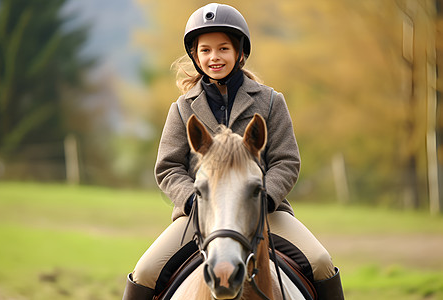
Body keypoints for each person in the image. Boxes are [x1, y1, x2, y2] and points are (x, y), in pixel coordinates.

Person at [122, 3, 344, 300]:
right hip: (201, 216)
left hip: (264, 213)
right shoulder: (182, 108)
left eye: (223, 48)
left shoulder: (270, 102)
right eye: (206, 50)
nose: (214, 57)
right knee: (145, 271)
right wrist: (193, 199)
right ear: (195, 55)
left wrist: (264, 197)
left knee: (320, 262)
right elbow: (168, 167)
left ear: (240, 53)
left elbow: (286, 161)